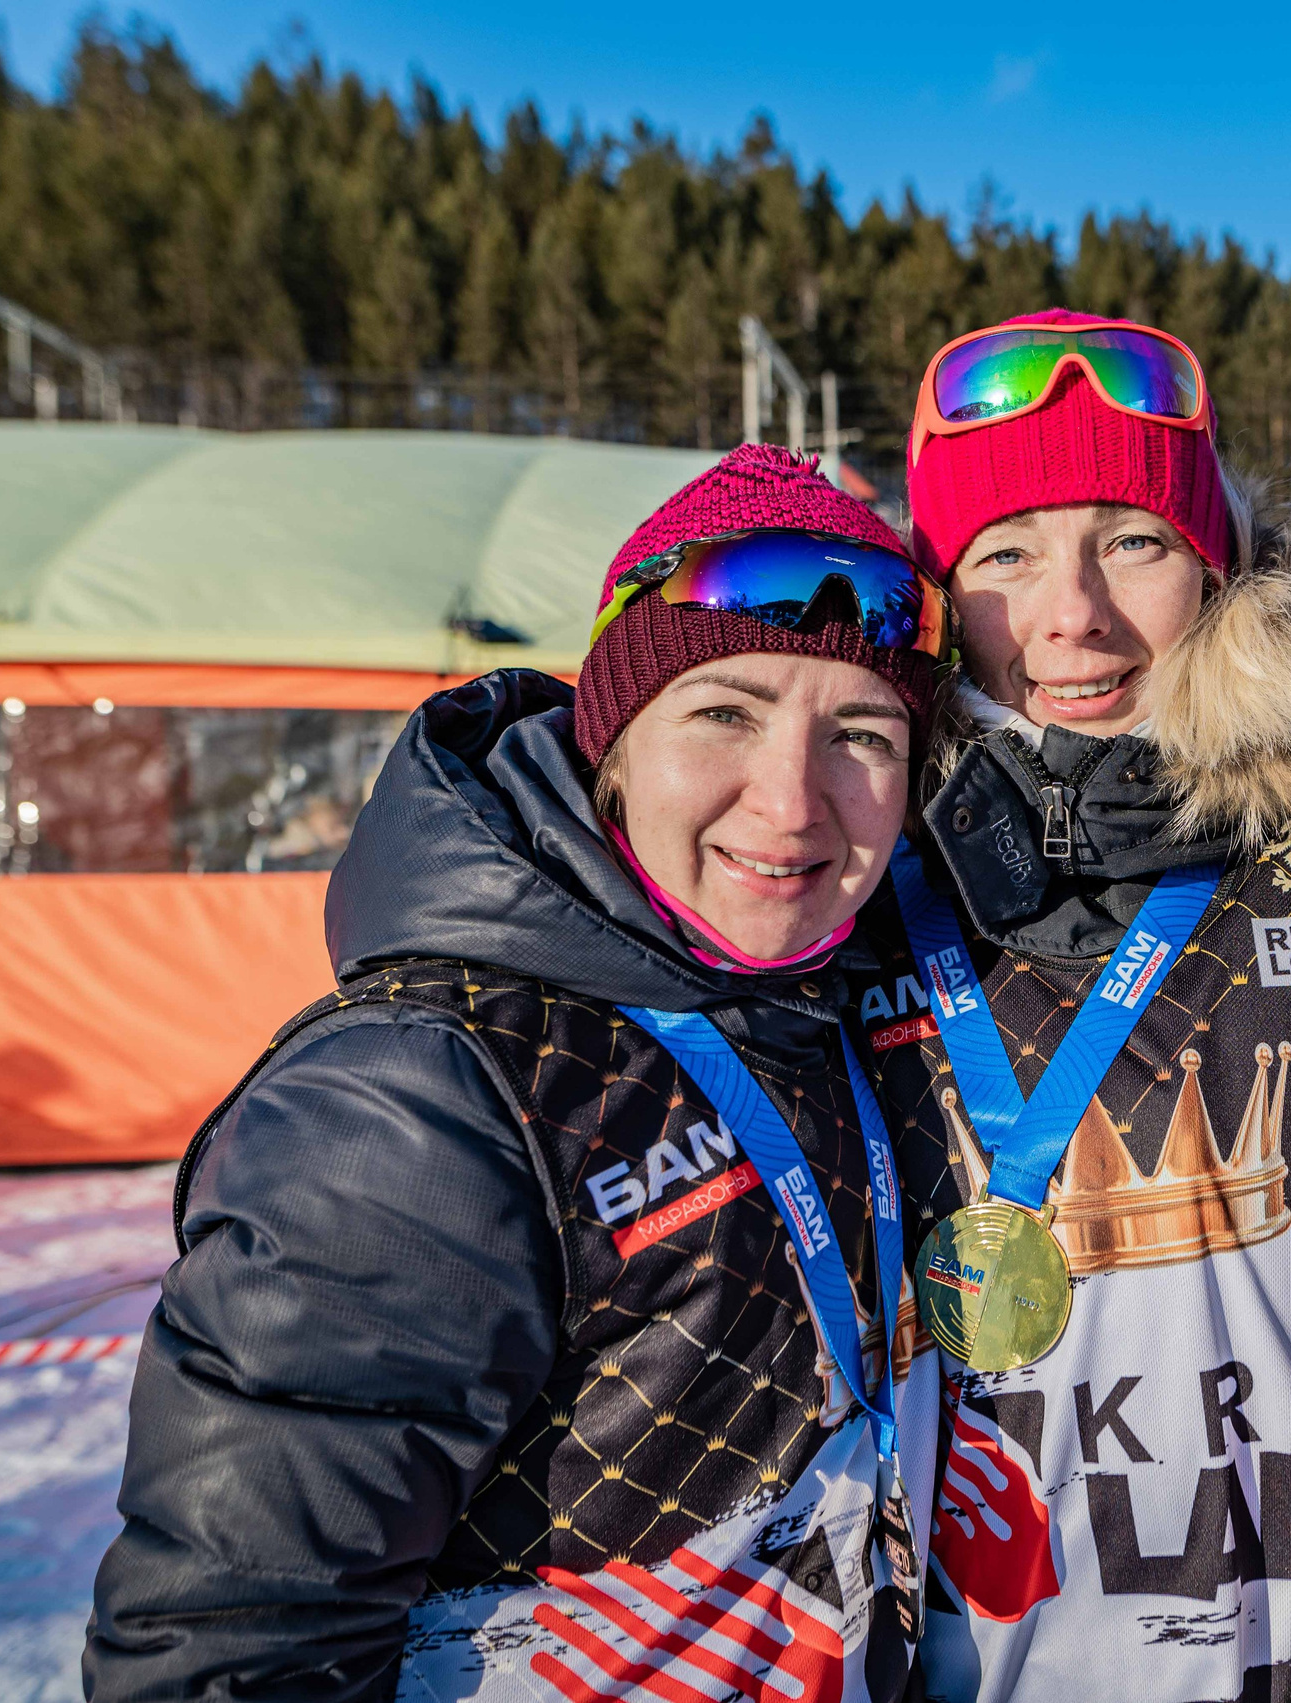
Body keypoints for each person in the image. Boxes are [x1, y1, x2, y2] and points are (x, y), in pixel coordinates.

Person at [87, 446, 947, 1703]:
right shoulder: (415, 1092)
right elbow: (234, 1644)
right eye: (725, 712)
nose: (792, 802)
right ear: (612, 742)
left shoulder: (824, 1002)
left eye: (860, 733)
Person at [848, 310, 1291, 1703]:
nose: (1074, 615)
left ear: (1216, 565)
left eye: (1133, 541)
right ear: (938, 595)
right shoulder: (846, 876)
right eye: (1006, 555)